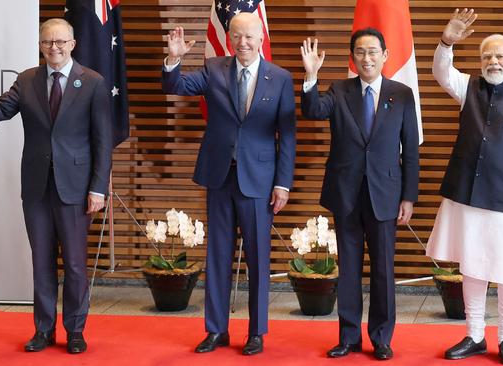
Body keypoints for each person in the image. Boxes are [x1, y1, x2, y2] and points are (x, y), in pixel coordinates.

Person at [0, 18, 113, 354]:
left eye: (61, 42)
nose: (54, 48)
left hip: (76, 189)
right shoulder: (27, 80)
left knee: (75, 265)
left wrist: (98, 188)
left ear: (72, 44)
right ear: (41, 45)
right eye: (48, 43)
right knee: (41, 262)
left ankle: (75, 331)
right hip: (36, 189)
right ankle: (43, 330)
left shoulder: (93, 83)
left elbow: (102, 142)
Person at [161, 12, 296, 356]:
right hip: (219, 177)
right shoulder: (214, 69)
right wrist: (173, 60)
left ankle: (256, 332)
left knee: (258, 259)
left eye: (249, 36)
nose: (243, 43)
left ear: (261, 38)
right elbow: (175, 86)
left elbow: (288, 137)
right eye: (236, 36)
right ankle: (216, 330)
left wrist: (282, 183)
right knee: (218, 255)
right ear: (229, 38)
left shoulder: (279, 78)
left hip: (260, 181)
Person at [426, 9, 503, 365]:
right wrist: (446, 40)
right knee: (473, 267)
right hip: (468, 198)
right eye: (486, 56)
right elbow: (441, 72)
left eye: (499, 56)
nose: (492, 61)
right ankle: (475, 335)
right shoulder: (468, 87)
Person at [300, 29, 420, 360]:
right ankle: (349, 337)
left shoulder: (403, 94)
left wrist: (408, 197)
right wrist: (311, 76)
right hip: (346, 193)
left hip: (386, 195)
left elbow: (410, 150)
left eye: (372, 52)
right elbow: (313, 111)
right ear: (352, 57)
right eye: (360, 52)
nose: (366, 58)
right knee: (349, 268)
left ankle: (382, 337)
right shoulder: (339, 90)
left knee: (383, 270)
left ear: (385, 55)